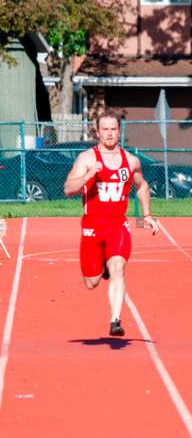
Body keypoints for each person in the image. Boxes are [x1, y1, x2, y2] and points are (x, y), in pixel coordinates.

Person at [63, 110, 159, 337]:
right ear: (97, 131)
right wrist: (88, 177)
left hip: (118, 226)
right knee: (91, 282)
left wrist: (147, 216)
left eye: (113, 129)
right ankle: (102, 267)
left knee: (119, 267)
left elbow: (142, 185)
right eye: (104, 129)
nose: (109, 133)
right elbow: (68, 189)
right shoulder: (87, 158)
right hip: (91, 228)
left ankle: (115, 320)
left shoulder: (131, 161)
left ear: (119, 131)